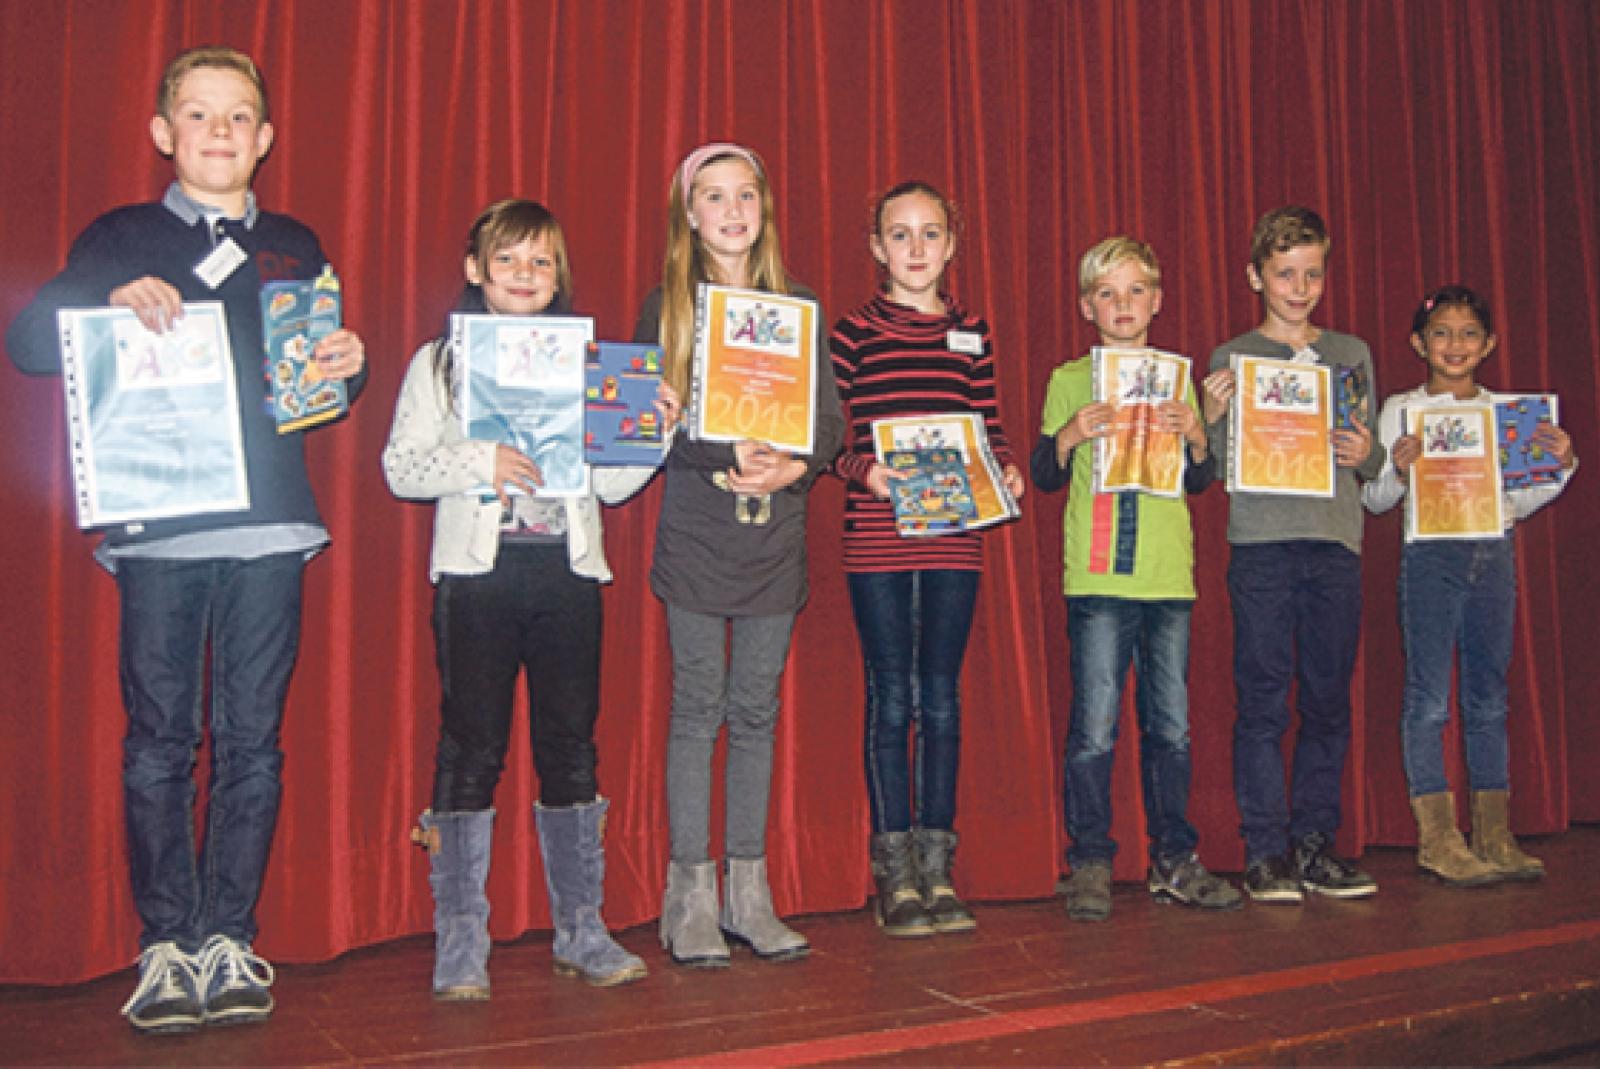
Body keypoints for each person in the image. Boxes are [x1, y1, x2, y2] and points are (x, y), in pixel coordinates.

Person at [4, 46, 368, 1033]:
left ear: (266, 137)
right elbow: (29, 342)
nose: (220, 131)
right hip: (161, 526)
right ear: (164, 133)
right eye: (199, 114)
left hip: (271, 524)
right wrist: (102, 302)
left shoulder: (294, 243)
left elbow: (320, 390)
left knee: (254, 742)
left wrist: (348, 361)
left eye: (239, 115)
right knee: (159, 740)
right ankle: (165, 942)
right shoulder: (120, 236)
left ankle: (229, 938)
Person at [384, 200, 675, 998]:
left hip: (567, 574)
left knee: (570, 746)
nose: (524, 274)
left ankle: (581, 927)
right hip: (477, 576)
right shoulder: (439, 362)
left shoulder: (591, 365)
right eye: (507, 258)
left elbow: (609, 485)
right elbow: (401, 467)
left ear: (559, 276)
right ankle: (461, 938)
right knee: (470, 748)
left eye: (541, 261)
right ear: (475, 269)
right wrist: (481, 460)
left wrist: (652, 430)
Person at [633, 142, 843, 967]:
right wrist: (717, 445)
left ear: (764, 209)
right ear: (690, 215)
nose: (732, 211)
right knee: (698, 709)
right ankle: (688, 899)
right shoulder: (667, 306)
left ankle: (748, 895)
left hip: (773, 535)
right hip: (696, 534)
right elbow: (647, 424)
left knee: (756, 713)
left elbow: (829, 423)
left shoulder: (799, 306)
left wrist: (797, 464)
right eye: (714, 197)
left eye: (745, 195)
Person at [830, 181, 1023, 937]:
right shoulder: (852, 333)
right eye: (900, 234)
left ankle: (939, 868)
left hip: (955, 537)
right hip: (876, 537)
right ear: (877, 248)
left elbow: (989, 426)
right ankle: (896, 876)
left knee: (940, 699)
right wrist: (865, 473)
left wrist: (1004, 470)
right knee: (891, 698)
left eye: (930, 233)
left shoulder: (973, 332)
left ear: (952, 244)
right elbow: (826, 439)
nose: (916, 248)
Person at [1032, 237, 1240, 922]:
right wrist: (1068, 436)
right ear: (1087, 307)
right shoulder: (1069, 378)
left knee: (1171, 727)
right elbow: (1044, 473)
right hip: (1097, 574)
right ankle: (1090, 859)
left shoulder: (1179, 380)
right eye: (1107, 293)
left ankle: (1174, 858)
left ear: (1157, 300)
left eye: (1135, 291)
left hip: (1167, 575)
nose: (1122, 305)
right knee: (1095, 727)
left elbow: (1201, 479)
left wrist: (1200, 434)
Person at [1361, 285, 1575, 885]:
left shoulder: (1507, 413)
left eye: (1468, 334)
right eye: (1441, 334)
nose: (1454, 345)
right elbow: (1375, 500)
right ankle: (1437, 838)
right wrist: (1397, 468)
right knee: (1428, 699)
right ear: (1418, 343)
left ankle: (1494, 833)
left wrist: (1560, 465)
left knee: (1489, 696)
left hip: (1493, 551)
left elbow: (1520, 498)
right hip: (1430, 555)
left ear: (1488, 345)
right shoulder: (1402, 409)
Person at [1201, 206, 1383, 904]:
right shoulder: (1231, 359)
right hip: (1262, 546)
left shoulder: (1351, 353)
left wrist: (1367, 455)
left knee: (1329, 700)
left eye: (1312, 274)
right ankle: (1266, 851)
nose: (1300, 289)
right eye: (1285, 274)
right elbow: (1219, 468)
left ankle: (1315, 844)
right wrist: (1212, 420)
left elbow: (1369, 460)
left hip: (1335, 543)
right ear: (1256, 277)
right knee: (1264, 700)